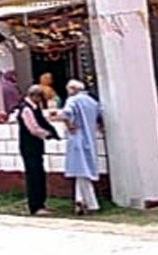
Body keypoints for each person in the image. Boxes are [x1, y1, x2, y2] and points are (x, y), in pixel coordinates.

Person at [61, 80, 102, 215]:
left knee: (82, 171)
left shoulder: (73, 100)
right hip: (90, 138)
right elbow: (100, 116)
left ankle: (92, 204)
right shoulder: (92, 101)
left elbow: (66, 113)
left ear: (72, 88)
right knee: (82, 170)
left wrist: (68, 124)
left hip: (77, 138)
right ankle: (79, 200)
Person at [18, 84, 58, 215]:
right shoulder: (26, 109)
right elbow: (33, 129)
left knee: (39, 173)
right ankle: (35, 206)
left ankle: (41, 203)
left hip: (35, 146)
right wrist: (47, 134)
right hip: (29, 146)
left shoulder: (34, 108)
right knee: (34, 175)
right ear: (34, 96)